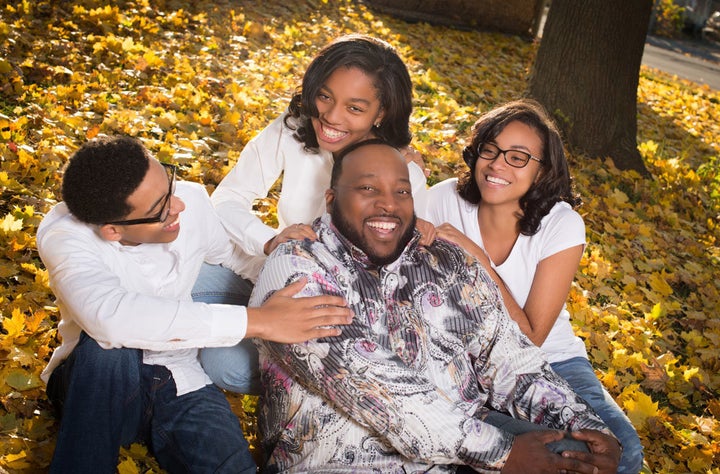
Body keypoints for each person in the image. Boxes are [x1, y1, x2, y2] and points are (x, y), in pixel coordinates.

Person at [251, 139, 622, 472]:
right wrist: (504, 453)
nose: (388, 205)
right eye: (367, 188)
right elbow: (378, 389)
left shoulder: (442, 258)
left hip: (459, 453)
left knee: (580, 458)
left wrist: (584, 424)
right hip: (338, 462)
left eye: (401, 191)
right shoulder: (297, 265)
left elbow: (508, 354)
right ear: (332, 199)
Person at [36, 135, 353, 473]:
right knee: (107, 349)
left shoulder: (189, 200)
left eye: (169, 186)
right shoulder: (66, 236)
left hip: (180, 377)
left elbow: (229, 256)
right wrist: (257, 320)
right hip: (98, 386)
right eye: (160, 209)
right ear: (113, 231)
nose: (179, 207)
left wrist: (282, 266)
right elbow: (110, 318)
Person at [196, 34, 429, 394]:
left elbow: (402, 280)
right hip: (265, 272)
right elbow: (228, 199)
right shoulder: (292, 129)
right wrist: (268, 240)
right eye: (324, 96)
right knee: (171, 284)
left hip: (330, 311)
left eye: (354, 108)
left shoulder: (403, 173)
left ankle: (307, 384)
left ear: (381, 113)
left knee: (225, 366)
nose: (330, 117)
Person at [422, 99, 643, 473]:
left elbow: (531, 339)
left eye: (518, 157)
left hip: (553, 360)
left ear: (542, 171)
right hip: (467, 362)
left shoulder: (561, 224)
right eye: (489, 150)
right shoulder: (442, 200)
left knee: (622, 455)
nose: (497, 165)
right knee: (551, 456)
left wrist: (477, 259)